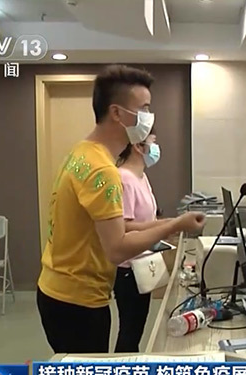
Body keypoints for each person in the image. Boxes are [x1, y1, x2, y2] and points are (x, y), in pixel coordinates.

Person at [37, 65, 205, 354]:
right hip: (77, 300)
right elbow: (117, 248)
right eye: (144, 108)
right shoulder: (103, 170)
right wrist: (175, 226)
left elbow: (116, 228)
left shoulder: (81, 152)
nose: (149, 118)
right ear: (116, 113)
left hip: (57, 290)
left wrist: (168, 223)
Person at [113, 132, 162, 352]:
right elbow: (123, 227)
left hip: (144, 264)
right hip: (128, 270)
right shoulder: (124, 178)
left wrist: (158, 229)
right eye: (152, 142)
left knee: (136, 329)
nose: (156, 147)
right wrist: (162, 228)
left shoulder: (141, 177)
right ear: (138, 146)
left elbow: (147, 219)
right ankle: (122, 369)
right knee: (129, 332)